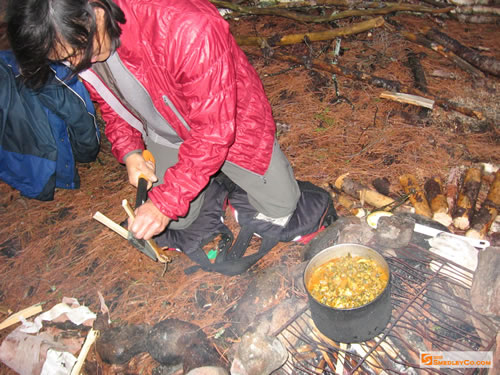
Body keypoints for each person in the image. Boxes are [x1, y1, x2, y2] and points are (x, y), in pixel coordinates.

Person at [7, 0, 301, 241]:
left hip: (230, 128)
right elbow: (114, 104)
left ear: (96, 12)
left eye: (74, 55)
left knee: (282, 207)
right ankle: (204, 180)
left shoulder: (187, 27)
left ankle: (209, 174)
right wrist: (131, 151)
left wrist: (165, 202)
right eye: (63, 61)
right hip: (167, 132)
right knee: (177, 223)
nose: (74, 65)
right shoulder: (83, 43)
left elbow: (213, 133)